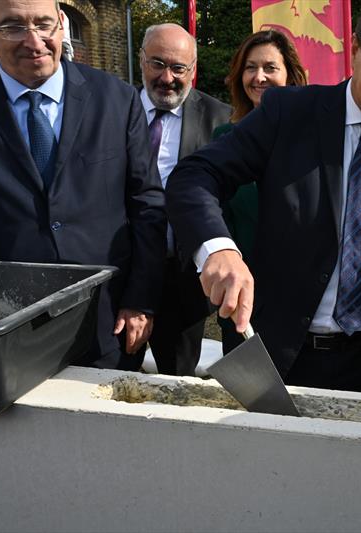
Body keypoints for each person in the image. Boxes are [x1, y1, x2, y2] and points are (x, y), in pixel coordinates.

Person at [166, 0, 361, 396]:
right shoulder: (288, 113)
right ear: (355, 49)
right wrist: (219, 250)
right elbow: (195, 175)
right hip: (274, 355)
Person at [0, 0, 166, 369]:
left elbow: (147, 204)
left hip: (106, 322)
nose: (33, 41)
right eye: (12, 27)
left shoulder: (117, 99)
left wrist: (141, 300)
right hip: (2, 329)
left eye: (44, 24)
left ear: (63, 23)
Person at [133, 23, 231, 376]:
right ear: (141, 60)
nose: (168, 77)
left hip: (183, 281)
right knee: (109, 378)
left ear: (193, 69)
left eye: (179, 68)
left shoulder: (220, 117)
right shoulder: (114, 111)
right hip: (123, 275)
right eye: (157, 64)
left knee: (179, 384)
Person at [214, 29, 307, 355]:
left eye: (270, 67)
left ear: (290, 76)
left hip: (300, 301)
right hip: (241, 297)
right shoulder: (225, 138)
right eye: (250, 68)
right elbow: (219, 217)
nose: (259, 77)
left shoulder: (313, 142)